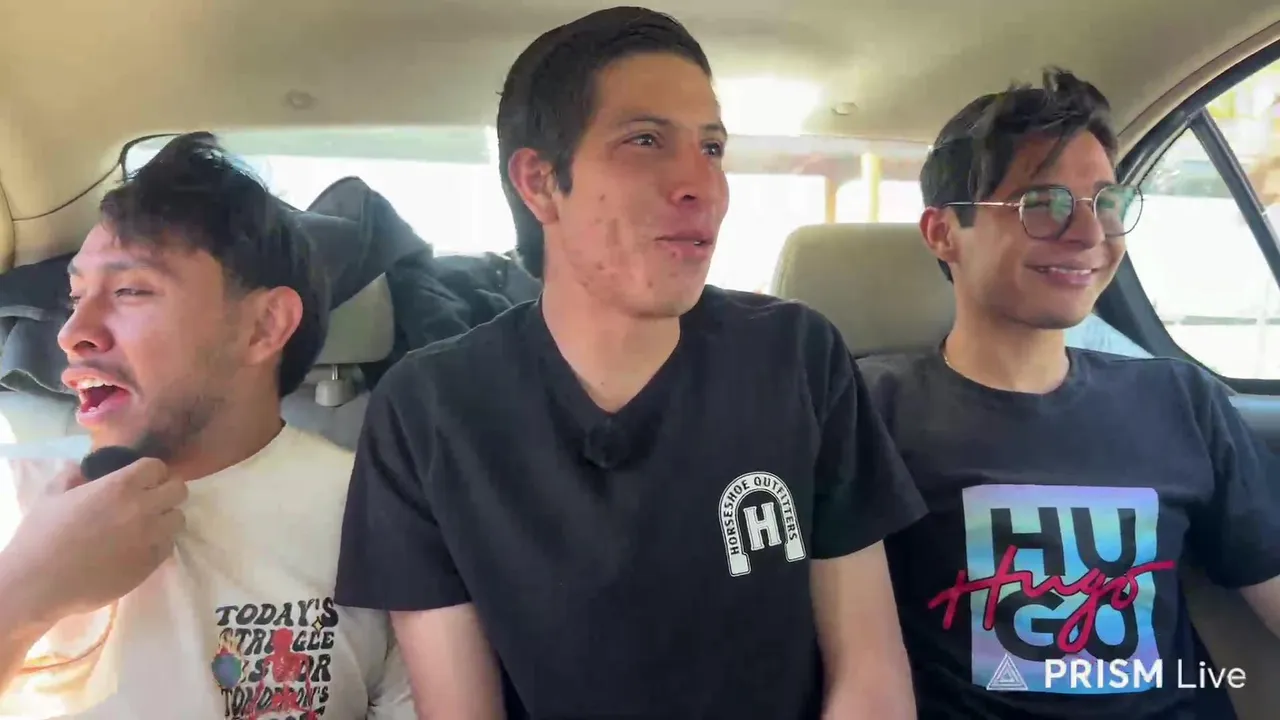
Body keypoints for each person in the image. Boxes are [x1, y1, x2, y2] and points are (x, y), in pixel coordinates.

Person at [334, 6, 924, 719]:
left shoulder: (798, 359)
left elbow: (870, 674)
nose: (702, 186)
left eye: (712, 148)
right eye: (645, 140)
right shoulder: (429, 410)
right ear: (540, 182)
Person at [859, 68, 1280, 719]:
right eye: (1043, 203)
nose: (1090, 235)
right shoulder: (871, 408)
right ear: (943, 232)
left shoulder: (1180, 400)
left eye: (1107, 204)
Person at [0, 133, 414, 719]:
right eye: (75, 296)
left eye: (130, 290)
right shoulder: (13, 496)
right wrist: (23, 593)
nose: (72, 334)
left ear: (264, 327)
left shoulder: (378, 516)